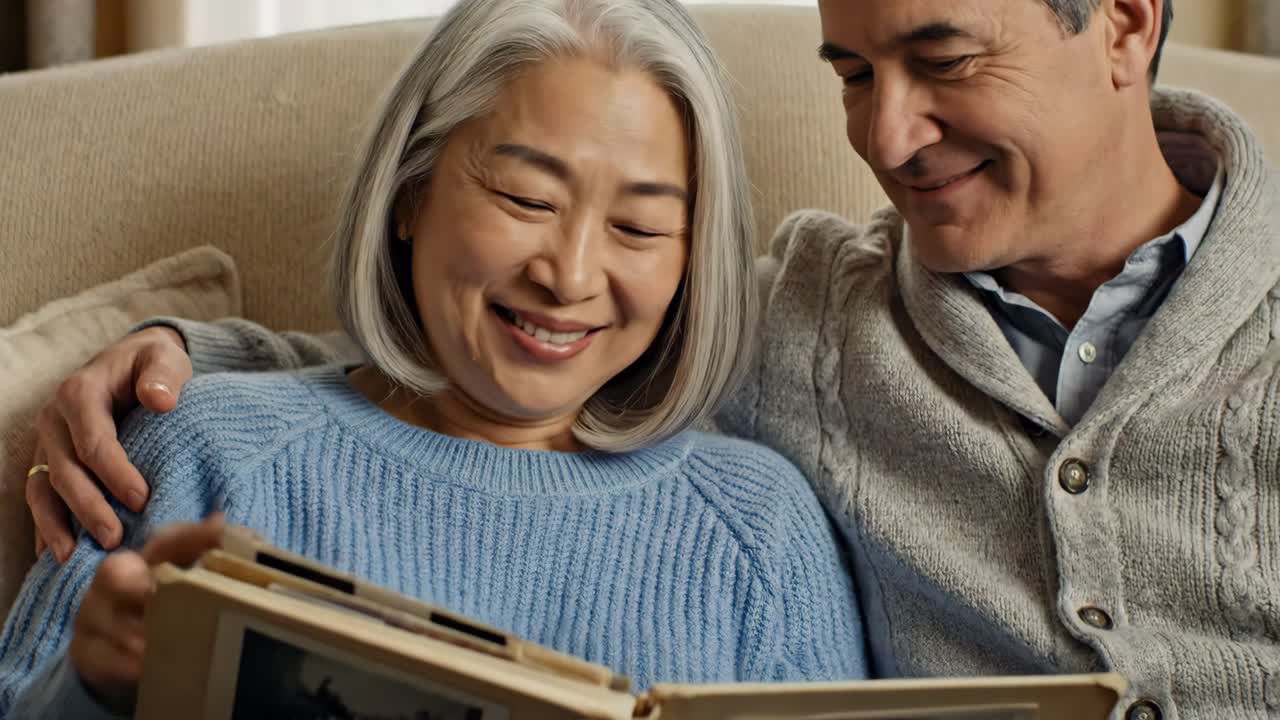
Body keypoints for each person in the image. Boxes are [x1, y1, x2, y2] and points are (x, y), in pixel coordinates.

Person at [21, 0, 1280, 716]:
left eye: (941, 61)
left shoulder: (747, 503)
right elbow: (480, 379)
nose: (887, 136)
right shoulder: (813, 320)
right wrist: (176, 361)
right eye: (852, 73)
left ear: (1124, 23)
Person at [0, 0, 871, 717]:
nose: (569, 276)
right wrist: (91, 688)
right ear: (410, 193)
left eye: (638, 227)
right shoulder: (204, 451)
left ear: (692, 262)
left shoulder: (760, 532)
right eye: (527, 198)